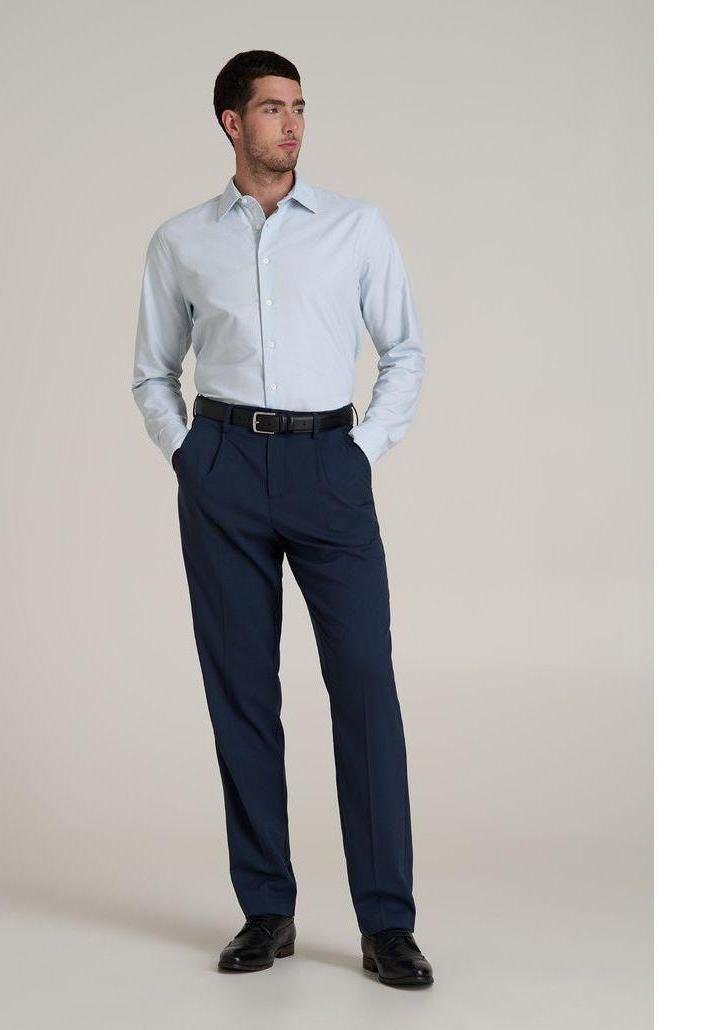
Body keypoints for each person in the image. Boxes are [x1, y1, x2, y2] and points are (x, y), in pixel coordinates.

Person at [130, 50, 433, 988]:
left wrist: (361, 452)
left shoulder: (355, 227)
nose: (291, 123)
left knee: (364, 687)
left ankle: (386, 922)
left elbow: (405, 350)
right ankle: (267, 909)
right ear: (232, 122)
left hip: (328, 466)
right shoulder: (182, 240)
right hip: (223, 466)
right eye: (271, 108)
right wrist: (188, 453)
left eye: (299, 106)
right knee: (242, 693)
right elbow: (152, 371)